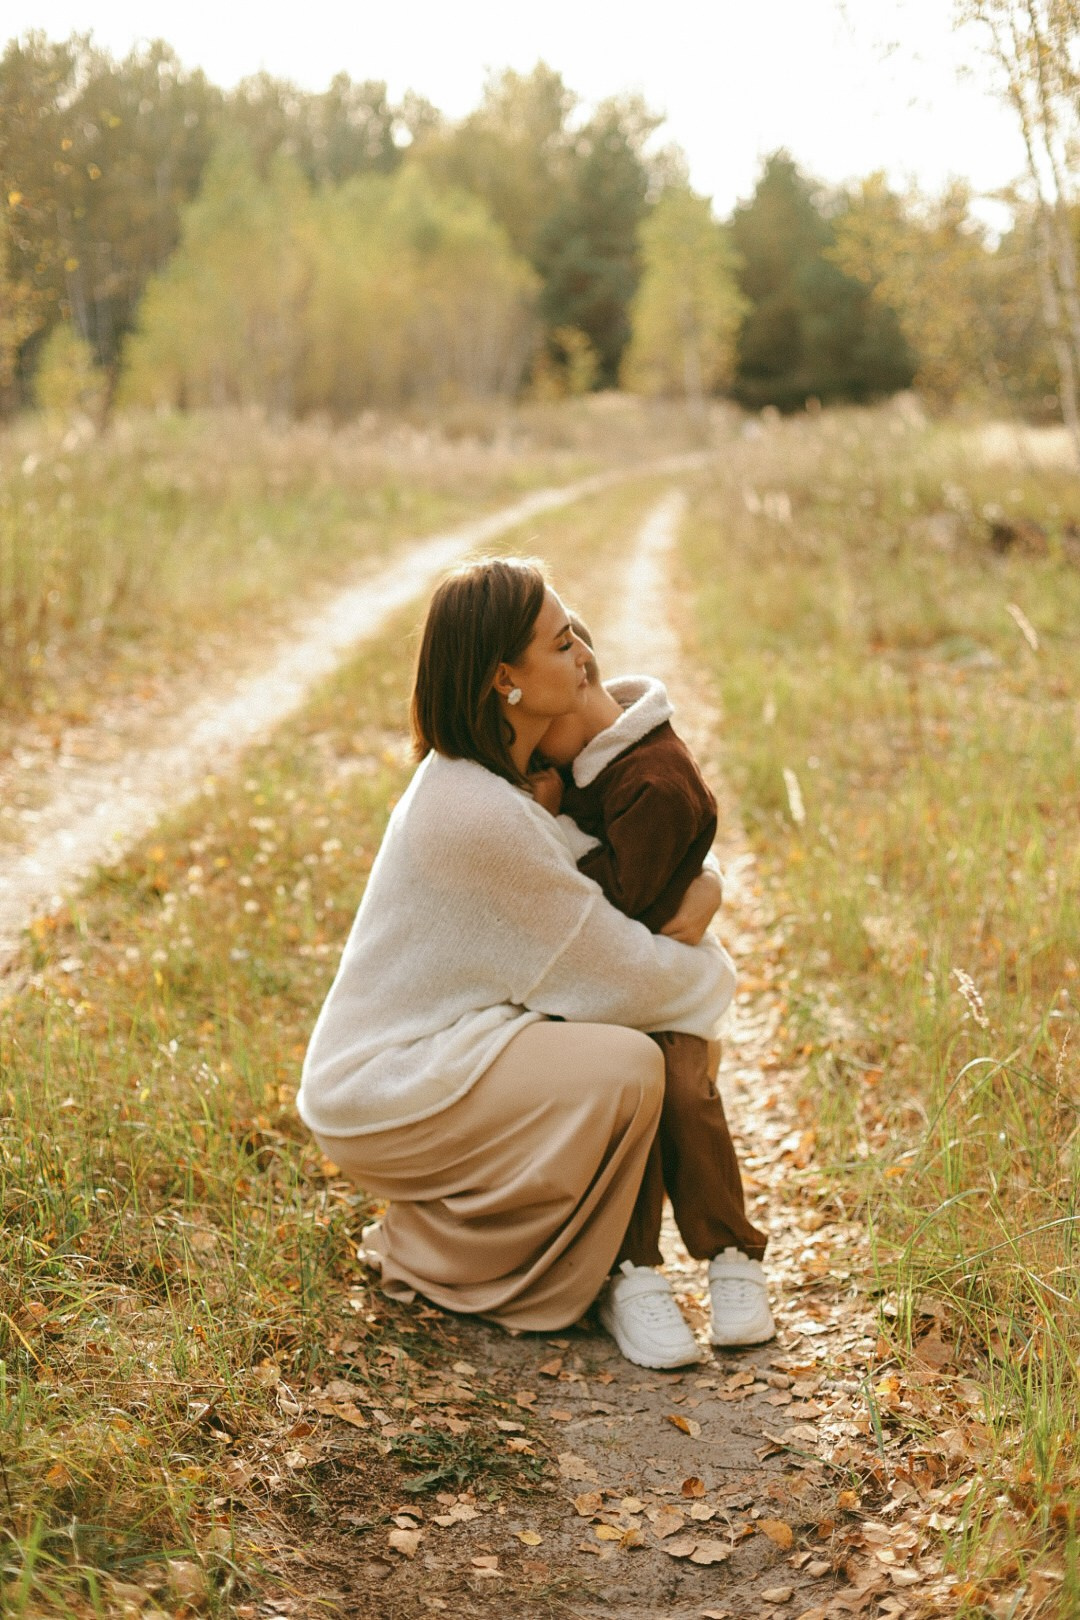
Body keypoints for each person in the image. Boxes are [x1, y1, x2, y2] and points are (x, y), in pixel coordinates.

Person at [297, 556, 734, 1368]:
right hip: (381, 1088)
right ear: (508, 679)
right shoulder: (477, 813)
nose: (585, 660)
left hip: (439, 1051)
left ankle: (481, 1237)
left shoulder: (508, 781)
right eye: (562, 644)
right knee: (630, 1066)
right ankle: (453, 1256)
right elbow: (619, 976)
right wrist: (714, 968)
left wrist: (704, 885)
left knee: (615, 1057)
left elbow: (603, 897)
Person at [532, 617, 774, 1353]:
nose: (536, 761)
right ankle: (632, 1266)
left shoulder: (651, 779)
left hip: (653, 971)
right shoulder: (597, 761)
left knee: (685, 1095)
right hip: (620, 974)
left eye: (541, 742)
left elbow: (610, 894)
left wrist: (547, 824)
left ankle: (730, 1252)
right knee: (630, 1109)